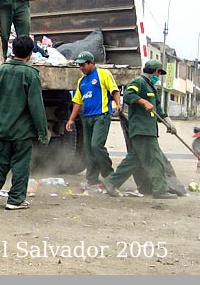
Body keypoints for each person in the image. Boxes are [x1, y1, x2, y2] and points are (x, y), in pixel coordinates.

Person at [0, 35, 50, 210]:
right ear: (31, 53)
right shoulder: (31, 75)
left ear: (13, 51)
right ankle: (15, 199)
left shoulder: (0, 71)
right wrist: (43, 132)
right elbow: (36, 107)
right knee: (20, 165)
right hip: (21, 132)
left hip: (0, 128)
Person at [102, 59, 179, 200]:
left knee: (134, 160)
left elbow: (159, 111)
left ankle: (111, 182)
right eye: (159, 73)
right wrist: (143, 102)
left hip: (148, 129)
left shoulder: (151, 87)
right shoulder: (139, 82)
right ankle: (160, 189)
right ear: (155, 71)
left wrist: (169, 124)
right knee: (155, 159)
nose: (159, 76)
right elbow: (129, 95)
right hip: (142, 129)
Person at [66, 51, 122, 188]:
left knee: (96, 145)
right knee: (88, 149)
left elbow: (114, 90)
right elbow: (77, 102)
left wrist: (118, 104)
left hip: (101, 116)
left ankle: (109, 175)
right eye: (79, 65)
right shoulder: (82, 81)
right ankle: (92, 179)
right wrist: (71, 119)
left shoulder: (103, 74)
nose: (81, 68)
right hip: (87, 117)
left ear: (92, 63)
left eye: (83, 65)